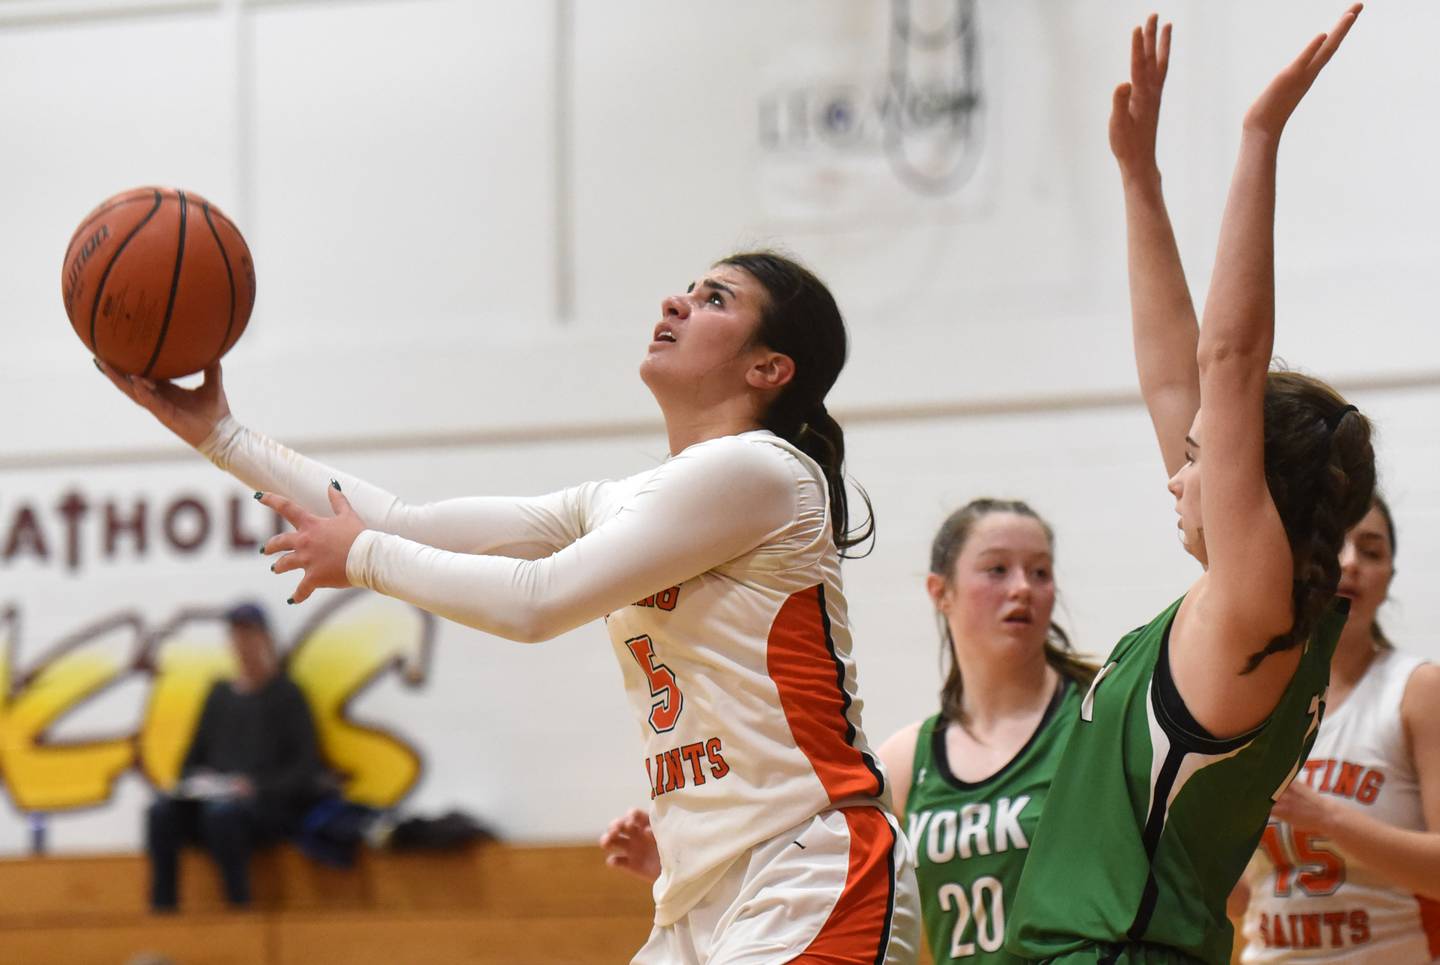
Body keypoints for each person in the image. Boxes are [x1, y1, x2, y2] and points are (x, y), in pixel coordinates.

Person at [101, 252, 920, 962]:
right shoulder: (628, 498)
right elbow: (402, 522)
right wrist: (219, 434)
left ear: (768, 368)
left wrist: (362, 559)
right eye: (688, 289)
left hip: (810, 875)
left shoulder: (761, 471)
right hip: (701, 899)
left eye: (715, 299)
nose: (676, 303)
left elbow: (535, 601)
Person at [1006, 9, 1377, 963]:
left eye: (1200, 455)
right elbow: (1182, 373)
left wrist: (1257, 137)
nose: (1175, 470)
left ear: (1257, 478)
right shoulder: (1243, 599)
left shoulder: (1253, 610)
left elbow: (1226, 356)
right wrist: (1140, 178)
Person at [602, 498, 1095, 964]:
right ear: (940, 592)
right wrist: (685, 870)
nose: (1022, 588)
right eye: (997, 569)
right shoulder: (908, 759)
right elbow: (828, 871)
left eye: (1040, 571)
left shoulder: (1095, 716)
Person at [1234, 497, 1440, 960]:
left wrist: (1328, 819)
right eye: (1335, 545)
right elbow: (1242, 897)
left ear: (1390, 578)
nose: (1350, 562)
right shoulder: (1254, 695)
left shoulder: (1417, 689)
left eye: (1371, 551)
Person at [145, 602, 329, 910]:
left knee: (224, 816)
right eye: (236, 636)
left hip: (265, 808)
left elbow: (306, 770)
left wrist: (254, 787)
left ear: (266, 639)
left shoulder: (288, 695)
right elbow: (189, 763)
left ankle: (239, 910)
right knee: (161, 813)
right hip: (214, 802)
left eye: (250, 635)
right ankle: (163, 911)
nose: (243, 645)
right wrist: (198, 783)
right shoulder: (218, 695)